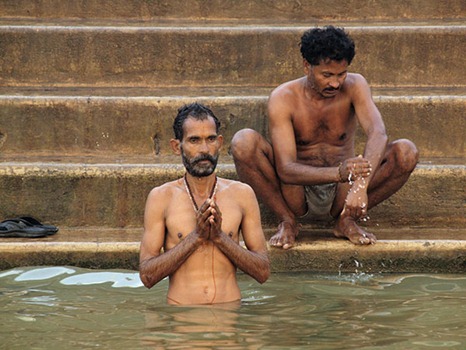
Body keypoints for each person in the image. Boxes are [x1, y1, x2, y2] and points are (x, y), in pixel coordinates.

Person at [230, 25, 419, 249]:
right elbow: (286, 169)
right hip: (296, 191)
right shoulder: (283, 97)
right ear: (306, 66)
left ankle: (346, 220)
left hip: (344, 191)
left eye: (341, 74)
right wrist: (339, 172)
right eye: (326, 75)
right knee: (243, 142)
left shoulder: (356, 85)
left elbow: (378, 133)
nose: (335, 83)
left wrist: (360, 186)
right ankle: (287, 221)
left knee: (406, 152)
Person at [139, 102, 270, 305]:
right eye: (194, 140)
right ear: (177, 146)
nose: (204, 149)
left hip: (230, 318)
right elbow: (147, 276)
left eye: (210, 139)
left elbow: (263, 272)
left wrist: (219, 238)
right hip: (181, 321)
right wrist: (196, 237)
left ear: (219, 142)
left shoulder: (242, 194)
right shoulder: (161, 197)